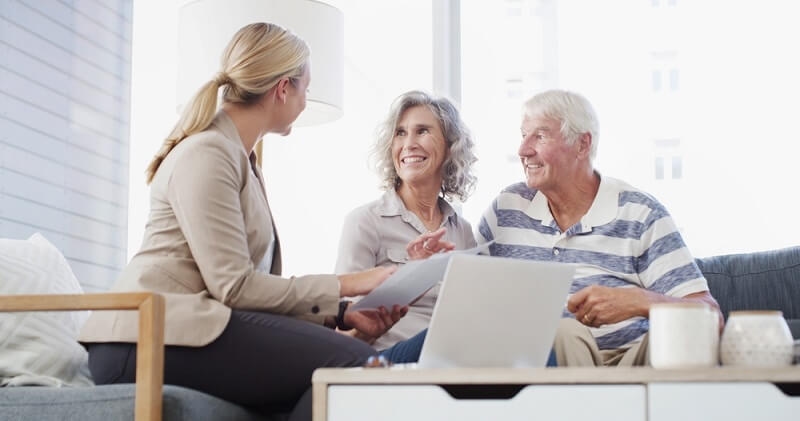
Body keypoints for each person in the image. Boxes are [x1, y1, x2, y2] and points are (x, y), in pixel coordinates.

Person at [78, 22, 407, 421]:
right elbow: (234, 286)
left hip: (185, 330)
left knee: (326, 379)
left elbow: (244, 292)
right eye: (305, 88)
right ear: (282, 88)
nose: (305, 101)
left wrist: (338, 314)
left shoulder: (240, 159)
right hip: (141, 340)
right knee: (356, 365)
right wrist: (349, 283)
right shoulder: (208, 152)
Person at [475, 89, 722, 367]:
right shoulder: (507, 209)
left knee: (678, 332)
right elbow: (465, 296)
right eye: (523, 135)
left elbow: (710, 317)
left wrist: (639, 301)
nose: (523, 150)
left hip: (633, 363)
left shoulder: (640, 213)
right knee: (564, 331)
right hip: (548, 363)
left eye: (540, 136)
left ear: (582, 145)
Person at [335, 90, 478, 356]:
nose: (409, 144)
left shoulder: (462, 231)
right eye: (400, 133)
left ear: (450, 147)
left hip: (451, 358)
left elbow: (473, 314)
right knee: (438, 339)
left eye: (422, 131)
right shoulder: (365, 222)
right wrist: (407, 284)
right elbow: (343, 337)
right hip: (388, 360)